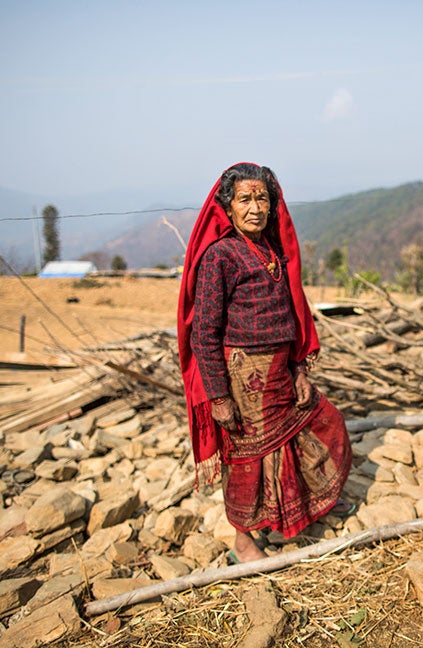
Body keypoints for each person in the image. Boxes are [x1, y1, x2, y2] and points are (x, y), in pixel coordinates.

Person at [177, 162, 353, 563]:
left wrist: (298, 369)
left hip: (281, 369)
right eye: (245, 199)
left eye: (262, 198)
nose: (255, 207)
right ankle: (243, 540)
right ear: (228, 207)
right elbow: (203, 332)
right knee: (248, 457)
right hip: (244, 376)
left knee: (324, 426)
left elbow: (290, 314)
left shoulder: (273, 251)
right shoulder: (219, 257)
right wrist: (219, 397)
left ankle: (312, 506)